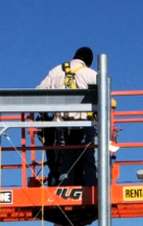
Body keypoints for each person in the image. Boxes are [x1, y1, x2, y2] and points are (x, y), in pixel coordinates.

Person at [36, 47, 98, 187]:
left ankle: (59, 190)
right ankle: (92, 190)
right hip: (85, 126)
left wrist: (46, 115)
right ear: (88, 62)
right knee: (88, 161)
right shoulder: (91, 74)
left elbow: (38, 94)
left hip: (60, 127)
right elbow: (104, 99)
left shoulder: (56, 71)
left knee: (61, 163)